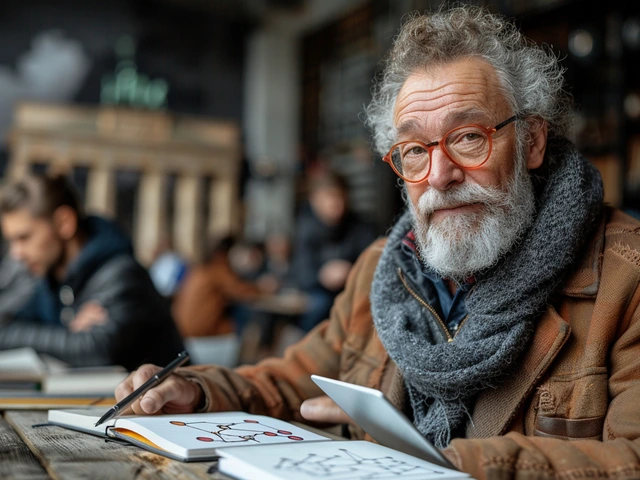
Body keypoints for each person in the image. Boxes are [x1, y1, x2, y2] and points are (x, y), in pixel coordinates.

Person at [115, 6, 640, 478]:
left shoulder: (627, 277)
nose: (438, 175)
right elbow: (298, 377)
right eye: (413, 149)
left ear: (532, 142)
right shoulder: (384, 269)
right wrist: (201, 390)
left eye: (467, 137)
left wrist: (435, 460)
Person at [0, 174, 184, 370]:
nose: (16, 253)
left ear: (64, 223)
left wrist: (70, 340)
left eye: (24, 237)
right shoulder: (43, 275)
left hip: (155, 398)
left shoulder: (121, 273)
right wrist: (67, 334)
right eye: (11, 241)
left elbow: (96, 350)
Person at [291, 171, 376, 331]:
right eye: (329, 197)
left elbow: (375, 265)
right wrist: (322, 275)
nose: (336, 203)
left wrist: (351, 272)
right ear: (314, 200)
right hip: (317, 293)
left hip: (355, 291)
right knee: (319, 305)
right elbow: (301, 273)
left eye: (339, 196)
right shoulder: (305, 228)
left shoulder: (361, 227)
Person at [172, 236, 274, 338]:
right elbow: (241, 291)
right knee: (247, 317)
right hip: (200, 332)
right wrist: (263, 288)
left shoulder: (199, 270)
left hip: (182, 329)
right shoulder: (217, 270)